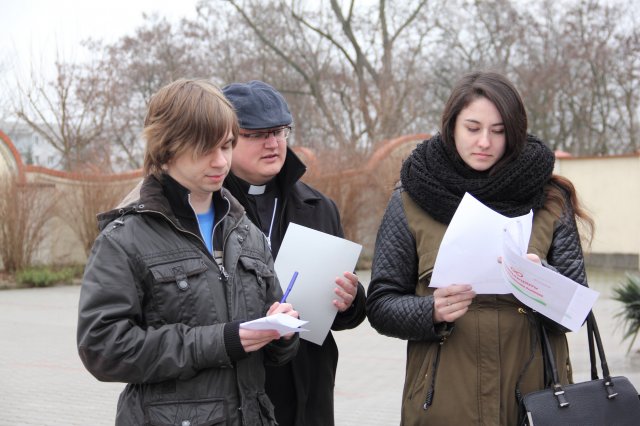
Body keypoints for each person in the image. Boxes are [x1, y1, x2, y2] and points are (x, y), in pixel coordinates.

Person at [366, 71, 594, 425]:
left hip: (536, 400)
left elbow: (576, 309)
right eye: (473, 128)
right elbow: (380, 304)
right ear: (451, 126)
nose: (485, 141)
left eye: (499, 130)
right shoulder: (411, 198)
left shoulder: (549, 199)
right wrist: (431, 311)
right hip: (443, 402)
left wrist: (542, 280)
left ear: (514, 132)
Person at [77, 79, 300, 426]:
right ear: (165, 148)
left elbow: (272, 353)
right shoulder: (124, 238)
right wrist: (220, 341)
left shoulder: (247, 233)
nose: (220, 161)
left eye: (227, 146)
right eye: (204, 149)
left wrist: (282, 334)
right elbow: (103, 349)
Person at [221, 80, 367, 426]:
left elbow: (343, 312)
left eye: (279, 131)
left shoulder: (318, 206)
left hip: (308, 383)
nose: (272, 143)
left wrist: (350, 300)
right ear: (225, 138)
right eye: (256, 134)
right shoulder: (208, 210)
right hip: (240, 385)